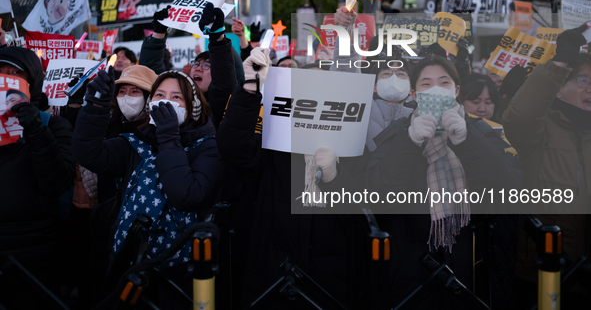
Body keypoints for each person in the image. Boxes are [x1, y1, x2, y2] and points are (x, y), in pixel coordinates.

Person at [365, 54, 521, 309]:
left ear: (456, 90)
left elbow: (506, 189)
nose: (435, 89)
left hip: (473, 263)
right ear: (414, 94)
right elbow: (378, 193)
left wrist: (467, 140)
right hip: (410, 268)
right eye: (426, 84)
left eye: (444, 82)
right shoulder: (396, 136)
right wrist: (409, 142)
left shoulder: (485, 131)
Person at [216, 47, 355, 309]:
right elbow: (232, 147)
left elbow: (362, 212)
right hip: (275, 272)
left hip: (330, 278)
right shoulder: (276, 145)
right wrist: (249, 89)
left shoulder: (354, 146)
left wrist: (336, 178)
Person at [70, 68, 222, 302]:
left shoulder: (206, 147)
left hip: (178, 270)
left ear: (191, 107)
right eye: (160, 96)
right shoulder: (135, 142)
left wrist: (169, 139)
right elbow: (89, 154)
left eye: (176, 97)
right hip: (128, 258)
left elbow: (186, 195)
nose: (166, 103)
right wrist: (96, 106)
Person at [503, 26, 591, 307]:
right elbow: (520, 116)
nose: (590, 88)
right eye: (582, 80)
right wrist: (560, 62)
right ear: (560, 88)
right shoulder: (541, 129)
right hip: (545, 270)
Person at [0, 44, 76, 308]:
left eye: (14, 74)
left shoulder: (53, 125)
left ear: (31, 84)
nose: (5, 80)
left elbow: (57, 181)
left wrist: (33, 128)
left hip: (35, 250)